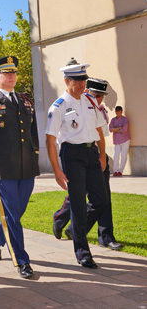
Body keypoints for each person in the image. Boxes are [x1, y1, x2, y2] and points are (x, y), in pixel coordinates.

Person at [0, 56, 40, 279]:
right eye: (7, 74)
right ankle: (21, 260)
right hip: (3, 168)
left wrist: (36, 156)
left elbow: (33, 132)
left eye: (14, 73)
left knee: (18, 211)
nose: (12, 77)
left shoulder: (25, 100)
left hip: (27, 166)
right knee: (12, 215)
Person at [45, 62, 108, 269]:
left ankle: (74, 229)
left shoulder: (90, 100)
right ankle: (83, 253)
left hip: (91, 153)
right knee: (79, 203)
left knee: (100, 201)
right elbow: (50, 139)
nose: (81, 85)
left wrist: (102, 155)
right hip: (72, 154)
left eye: (83, 81)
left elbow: (99, 129)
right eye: (77, 81)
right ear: (67, 81)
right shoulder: (59, 105)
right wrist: (56, 170)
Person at [52, 77, 123, 251]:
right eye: (97, 95)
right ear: (87, 92)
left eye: (102, 96)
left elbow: (101, 133)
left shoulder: (98, 109)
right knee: (77, 195)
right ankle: (61, 220)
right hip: (77, 155)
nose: (100, 99)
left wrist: (103, 156)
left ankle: (105, 236)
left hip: (97, 155)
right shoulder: (72, 105)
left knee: (103, 198)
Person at [109, 106, 130, 176]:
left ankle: (120, 171)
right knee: (116, 155)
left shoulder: (125, 119)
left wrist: (115, 129)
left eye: (119, 110)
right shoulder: (113, 120)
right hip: (117, 140)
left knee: (124, 156)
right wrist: (119, 128)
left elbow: (124, 130)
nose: (117, 112)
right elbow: (110, 129)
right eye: (116, 111)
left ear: (121, 111)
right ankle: (115, 171)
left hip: (125, 140)